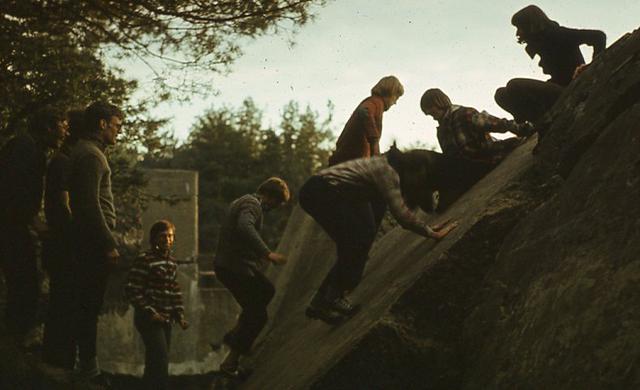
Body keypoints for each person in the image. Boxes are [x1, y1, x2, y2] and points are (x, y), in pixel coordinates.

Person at [299, 147, 458, 324]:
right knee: (356, 241)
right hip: (321, 191)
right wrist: (431, 233)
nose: (421, 180)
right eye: (421, 175)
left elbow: (408, 207)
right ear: (413, 168)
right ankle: (330, 299)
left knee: (362, 238)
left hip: (336, 191)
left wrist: (427, 227)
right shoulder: (387, 173)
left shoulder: (388, 167)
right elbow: (402, 216)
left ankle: (322, 299)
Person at [0, 106, 68, 346]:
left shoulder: (30, 148)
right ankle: (13, 345)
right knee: (25, 286)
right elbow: (12, 190)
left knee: (24, 284)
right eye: (61, 126)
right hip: (10, 226)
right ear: (48, 127)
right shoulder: (26, 148)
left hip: (14, 225)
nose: (65, 132)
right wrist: (33, 221)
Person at [214, 177, 290, 379]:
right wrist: (268, 253)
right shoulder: (252, 204)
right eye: (277, 203)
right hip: (233, 268)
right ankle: (230, 364)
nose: (274, 208)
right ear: (270, 196)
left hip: (233, 266)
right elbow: (244, 227)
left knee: (267, 290)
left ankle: (236, 333)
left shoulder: (244, 201)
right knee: (258, 315)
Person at [68, 101, 122, 382]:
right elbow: (89, 205)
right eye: (116, 126)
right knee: (89, 306)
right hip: (92, 244)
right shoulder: (90, 155)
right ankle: (88, 371)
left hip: (88, 242)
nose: (118, 132)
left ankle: (85, 367)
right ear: (101, 124)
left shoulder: (89, 153)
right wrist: (108, 242)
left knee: (87, 305)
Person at [494, 5, 606, 131]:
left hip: (571, 89)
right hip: (557, 87)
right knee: (501, 94)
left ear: (529, 24)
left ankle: (542, 123)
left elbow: (598, 36)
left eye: (519, 27)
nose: (518, 33)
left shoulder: (557, 34)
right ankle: (538, 123)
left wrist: (593, 66)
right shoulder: (540, 42)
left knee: (514, 85)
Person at [42, 109, 84, 368]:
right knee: (64, 303)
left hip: (61, 243)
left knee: (64, 303)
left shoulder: (63, 160)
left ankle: (60, 360)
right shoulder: (63, 161)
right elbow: (62, 203)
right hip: (63, 245)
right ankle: (59, 362)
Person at [125, 220, 189, 390]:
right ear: (154, 239)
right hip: (148, 318)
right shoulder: (144, 260)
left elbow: (174, 290)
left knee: (157, 360)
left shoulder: (171, 262)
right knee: (160, 358)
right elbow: (133, 289)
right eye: (163, 236)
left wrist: (179, 314)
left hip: (166, 318)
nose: (167, 240)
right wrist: (149, 311)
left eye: (170, 236)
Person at [420, 88, 532, 165]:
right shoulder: (441, 131)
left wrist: (523, 129)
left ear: (439, 102)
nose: (428, 112)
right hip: (465, 169)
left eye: (430, 107)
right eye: (426, 110)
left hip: (485, 159)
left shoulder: (465, 114)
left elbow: (498, 124)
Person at [328, 75, 404, 166]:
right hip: (351, 162)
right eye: (396, 98)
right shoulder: (375, 102)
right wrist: (374, 143)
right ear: (390, 93)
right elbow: (364, 111)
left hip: (352, 160)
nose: (395, 103)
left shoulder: (376, 103)